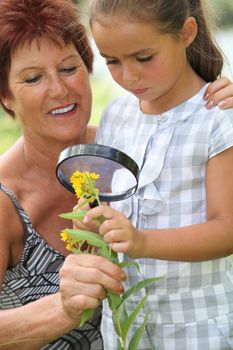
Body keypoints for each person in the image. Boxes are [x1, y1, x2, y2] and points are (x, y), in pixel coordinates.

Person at [72, 0, 233, 349]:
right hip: (124, 328)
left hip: (198, 329)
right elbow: (101, 211)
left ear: (186, 33)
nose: (128, 76)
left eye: (144, 58)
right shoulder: (116, 115)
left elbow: (228, 229)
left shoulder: (217, 118)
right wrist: (89, 223)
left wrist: (143, 242)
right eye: (112, 61)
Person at [0, 0, 126, 349]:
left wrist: (213, 109)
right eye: (33, 78)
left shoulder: (128, 150)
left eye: (69, 68)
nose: (59, 89)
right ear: (5, 96)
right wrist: (62, 308)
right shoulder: (5, 202)